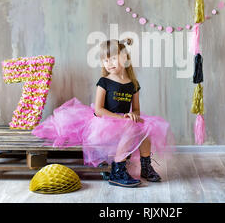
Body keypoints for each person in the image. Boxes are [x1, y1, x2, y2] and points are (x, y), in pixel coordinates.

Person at [32, 38, 175, 188]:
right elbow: (98, 110)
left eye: (113, 58)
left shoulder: (133, 84)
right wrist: (120, 118)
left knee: (147, 128)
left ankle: (146, 167)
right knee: (131, 127)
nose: (109, 63)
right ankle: (117, 172)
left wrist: (134, 115)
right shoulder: (104, 82)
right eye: (105, 60)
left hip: (124, 121)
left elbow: (137, 108)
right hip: (104, 123)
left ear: (124, 58)